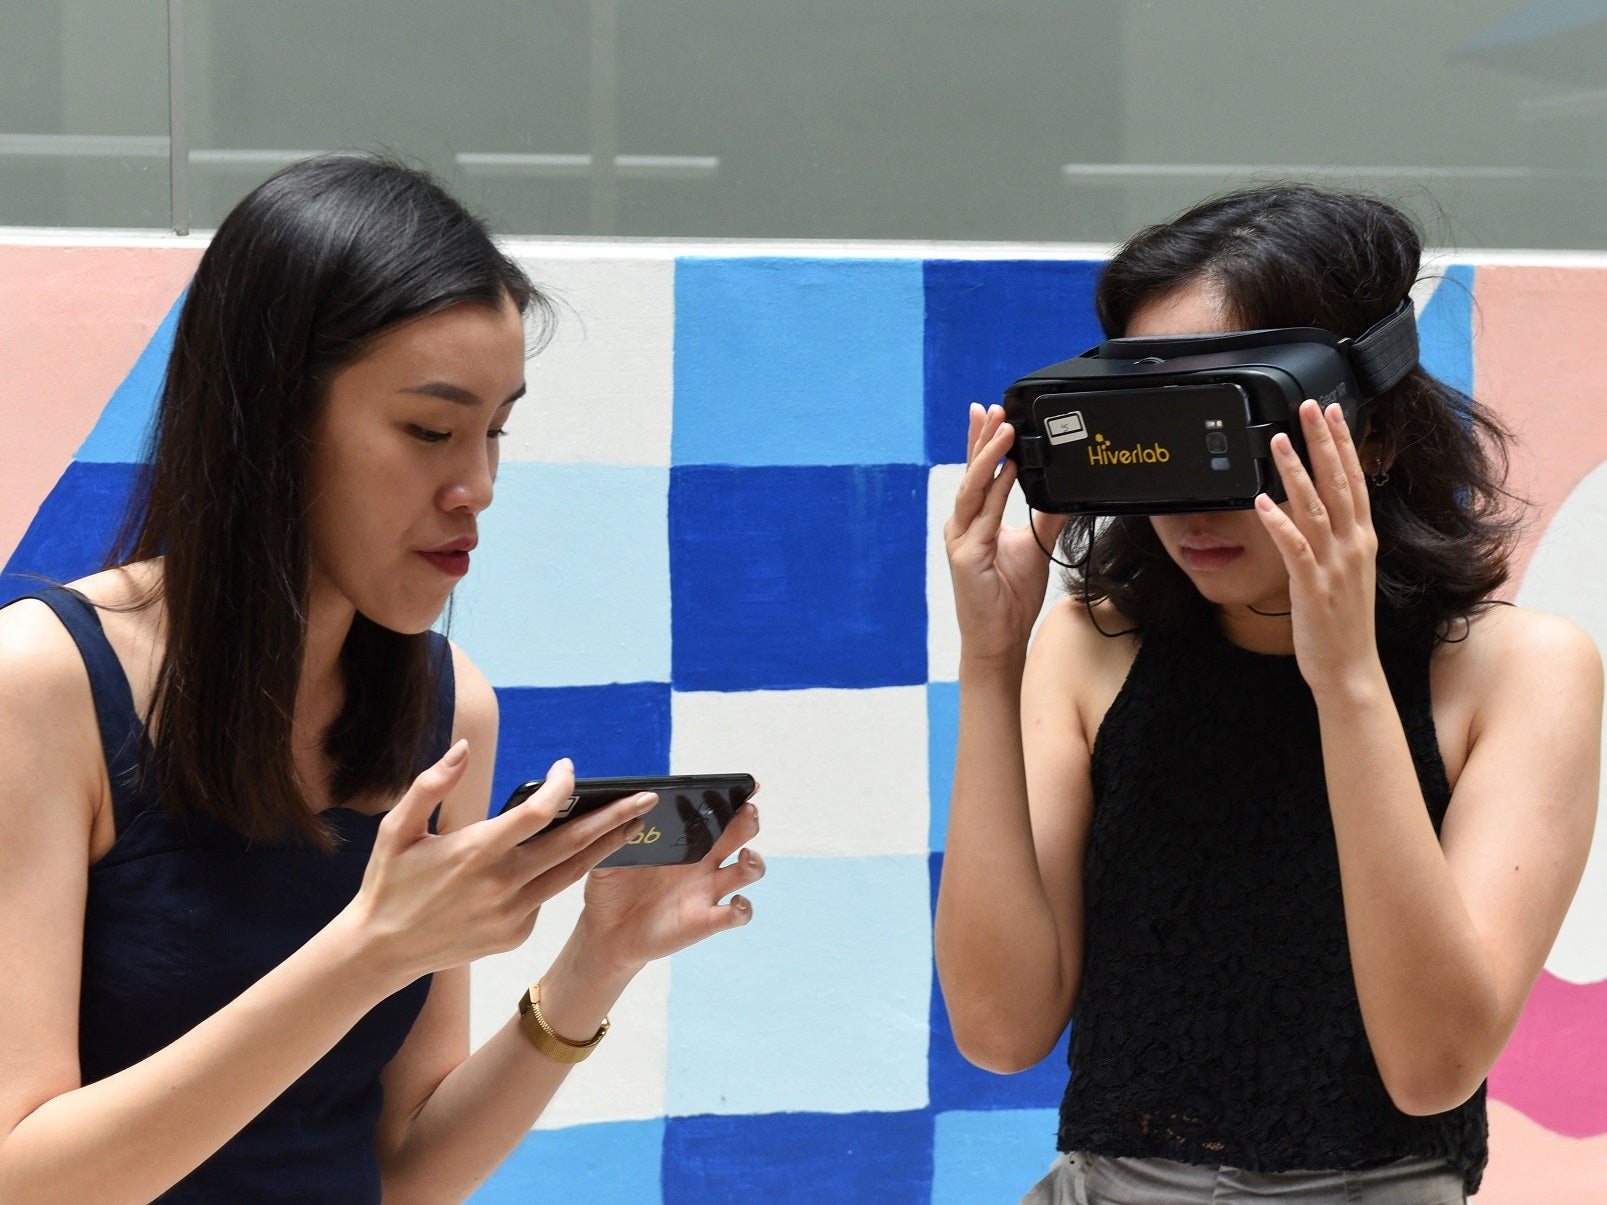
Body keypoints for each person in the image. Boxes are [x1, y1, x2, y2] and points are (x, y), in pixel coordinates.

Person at [0, 154, 764, 1203]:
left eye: (494, 430)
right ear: (272, 418)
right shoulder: (44, 685)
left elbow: (402, 1167)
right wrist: (364, 955)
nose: (477, 486)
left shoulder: (447, 708)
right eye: (429, 430)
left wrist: (597, 962)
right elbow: (26, 1176)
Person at [935, 184, 1600, 1203]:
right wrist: (989, 659)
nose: (1194, 496)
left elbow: (1430, 1063)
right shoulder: (1090, 647)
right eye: (1154, 435)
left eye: (1232, 430)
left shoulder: (1519, 671)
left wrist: (1344, 678)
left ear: (1370, 438)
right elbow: (998, 1027)